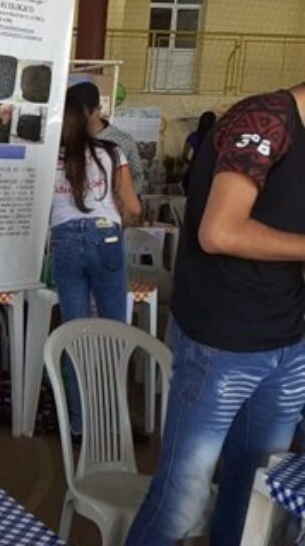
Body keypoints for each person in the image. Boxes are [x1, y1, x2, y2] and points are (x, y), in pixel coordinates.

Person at [127, 83, 305, 546]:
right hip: (222, 343)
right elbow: (220, 231)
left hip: (288, 340)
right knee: (181, 507)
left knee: (252, 504)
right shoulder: (267, 118)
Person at [49, 94, 140, 437]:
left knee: (74, 335)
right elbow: (131, 207)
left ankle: (78, 425)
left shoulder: (51, 157)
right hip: (107, 238)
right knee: (114, 333)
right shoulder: (111, 153)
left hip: (65, 241)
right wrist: (117, 226)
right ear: (91, 116)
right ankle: (114, 422)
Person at [68, 81, 147, 195]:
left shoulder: (123, 141)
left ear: (97, 110)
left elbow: (137, 175)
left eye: (78, 112)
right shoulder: (69, 139)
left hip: (110, 209)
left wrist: (122, 199)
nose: (73, 118)